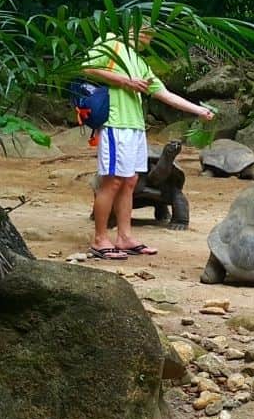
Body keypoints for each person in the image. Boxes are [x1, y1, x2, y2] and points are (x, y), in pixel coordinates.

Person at [82, 26, 214, 260]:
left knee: (130, 181)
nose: (149, 37)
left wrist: (199, 110)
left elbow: (163, 93)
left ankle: (125, 237)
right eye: (145, 30)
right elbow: (87, 68)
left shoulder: (139, 61)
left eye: (152, 33)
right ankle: (100, 239)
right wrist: (125, 81)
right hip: (115, 123)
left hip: (135, 127)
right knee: (112, 181)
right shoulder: (109, 40)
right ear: (130, 26)